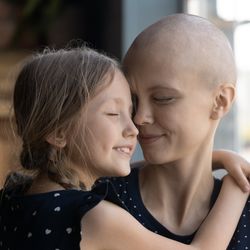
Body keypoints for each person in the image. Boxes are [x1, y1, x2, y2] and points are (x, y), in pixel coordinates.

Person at [0, 47, 248, 250]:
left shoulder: (16, 196)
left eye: (129, 112)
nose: (135, 127)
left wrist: (216, 159)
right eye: (113, 113)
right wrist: (237, 186)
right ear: (58, 132)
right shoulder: (94, 218)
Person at [84, 14, 250, 250]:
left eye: (163, 98)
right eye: (133, 100)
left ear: (220, 101)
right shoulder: (95, 200)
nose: (139, 118)